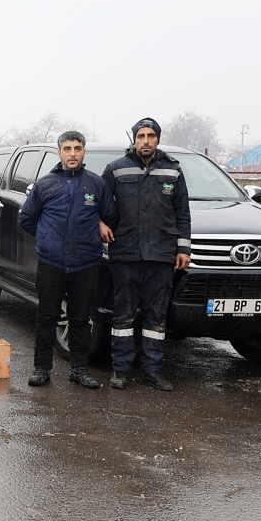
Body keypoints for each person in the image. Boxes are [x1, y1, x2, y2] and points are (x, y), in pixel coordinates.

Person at [18, 130, 117, 389]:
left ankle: (79, 370)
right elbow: (26, 218)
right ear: (59, 151)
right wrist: (46, 238)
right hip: (52, 263)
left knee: (81, 318)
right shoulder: (45, 184)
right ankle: (41, 369)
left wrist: (99, 223)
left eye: (77, 148)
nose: (72, 153)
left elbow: (110, 215)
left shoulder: (96, 184)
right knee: (46, 316)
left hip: (86, 262)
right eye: (67, 148)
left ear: (84, 151)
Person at [101, 118, 192, 392]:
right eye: (141, 135)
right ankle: (120, 369)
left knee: (156, 316)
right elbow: (100, 203)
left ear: (157, 139)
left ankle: (152, 370)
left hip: (161, 255)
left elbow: (182, 213)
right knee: (124, 315)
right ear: (134, 139)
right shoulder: (116, 169)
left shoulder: (173, 171)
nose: (146, 140)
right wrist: (100, 223)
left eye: (151, 135)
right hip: (126, 253)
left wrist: (183, 248)